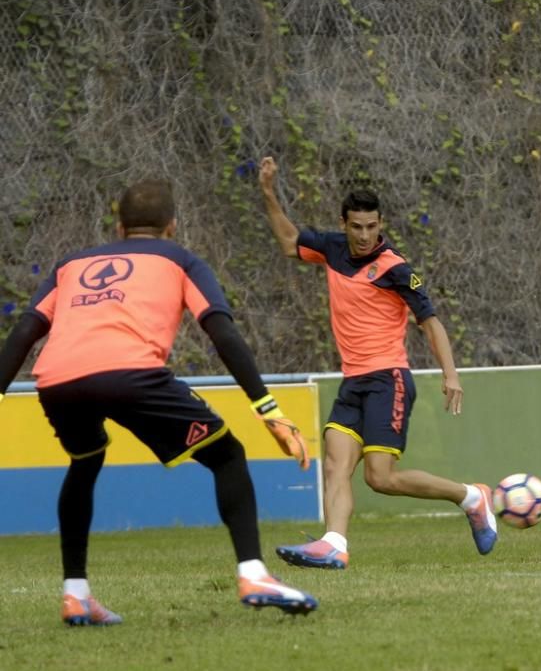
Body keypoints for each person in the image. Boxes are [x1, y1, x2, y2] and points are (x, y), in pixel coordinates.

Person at [0, 179, 318, 625]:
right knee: (227, 456)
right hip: (133, 375)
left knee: (85, 461)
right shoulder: (181, 259)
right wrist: (267, 409)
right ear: (173, 226)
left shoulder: (70, 264)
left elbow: (23, 333)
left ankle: (75, 594)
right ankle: (253, 574)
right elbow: (222, 332)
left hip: (57, 380)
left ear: (118, 226)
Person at [258, 156, 497, 570]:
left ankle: (471, 496)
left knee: (380, 478)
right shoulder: (331, 249)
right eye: (357, 226)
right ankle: (334, 543)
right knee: (335, 464)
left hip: (390, 379)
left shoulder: (395, 268)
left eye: (372, 226)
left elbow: (431, 323)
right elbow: (287, 241)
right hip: (353, 381)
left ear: (381, 223)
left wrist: (451, 374)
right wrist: (267, 192)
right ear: (344, 223)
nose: (365, 235)